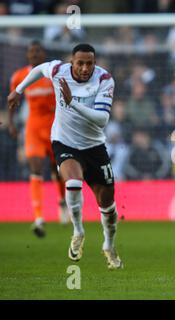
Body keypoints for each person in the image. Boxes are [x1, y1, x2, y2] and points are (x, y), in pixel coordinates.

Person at [8, 44, 123, 270]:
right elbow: (39, 69)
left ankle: (109, 245)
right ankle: (78, 231)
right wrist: (19, 90)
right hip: (64, 141)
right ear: (72, 62)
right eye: (80, 63)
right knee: (72, 181)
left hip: (94, 146)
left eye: (89, 63)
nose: (84, 68)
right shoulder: (58, 70)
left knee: (108, 206)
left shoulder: (104, 80)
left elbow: (101, 119)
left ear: (94, 63)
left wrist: (72, 104)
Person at [8, 41, 69, 237]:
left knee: (56, 169)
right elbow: (13, 98)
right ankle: (39, 218)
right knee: (35, 168)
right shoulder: (19, 76)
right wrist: (11, 123)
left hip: (54, 127)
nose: (33, 55)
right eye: (31, 52)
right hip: (33, 127)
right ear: (27, 55)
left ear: (44, 55)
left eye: (37, 52)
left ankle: (62, 201)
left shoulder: (53, 75)